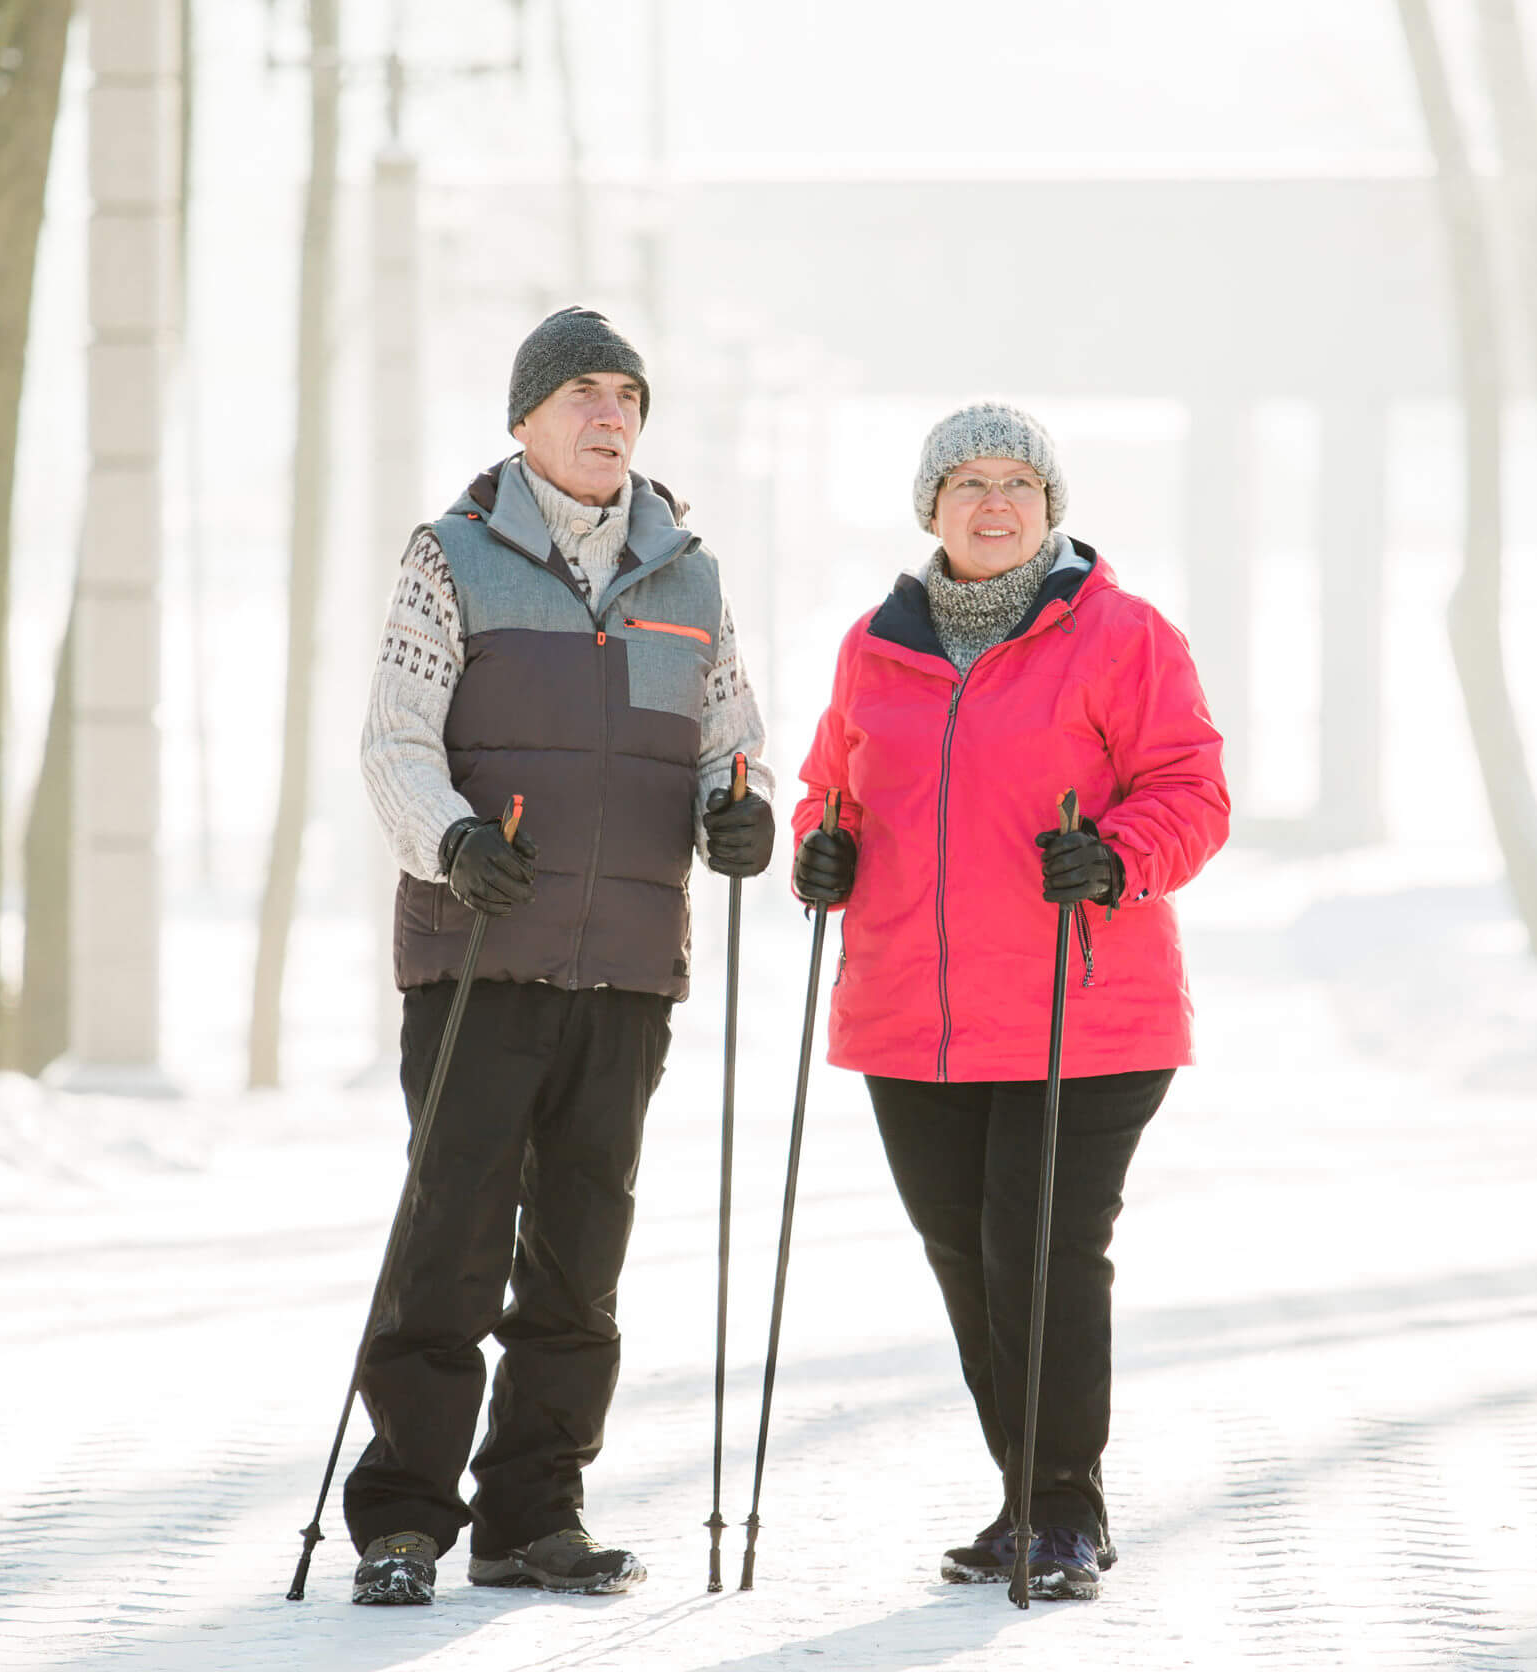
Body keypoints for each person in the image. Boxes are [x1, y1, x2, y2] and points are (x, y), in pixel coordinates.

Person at [349, 306, 776, 1606]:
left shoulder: (687, 578)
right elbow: (395, 741)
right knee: (451, 1245)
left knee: (581, 1262)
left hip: (628, 970)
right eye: (584, 391)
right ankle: (403, 1519)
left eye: (628, 397)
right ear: (524, 418)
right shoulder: (453, 557)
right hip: (481, 954)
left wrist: (744, 815)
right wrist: (452, 841)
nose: (610, 415)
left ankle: (534, 1514)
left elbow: (731, 747)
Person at [788, 402, 1228, 1601]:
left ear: (1050, 506)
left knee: (1039, 1252)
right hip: (912, 1018)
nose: (995, 502)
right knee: (969, 1261)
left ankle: (1064, 1510)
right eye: (969, 482)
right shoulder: (876, 645)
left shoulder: (1122, 635)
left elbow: (1192, 789)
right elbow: (833, 788)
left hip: (1081, 1010)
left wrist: (1118, 854)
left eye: (1018, 482)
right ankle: (1026, 1497)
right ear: (931, 508)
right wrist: (823, 847)